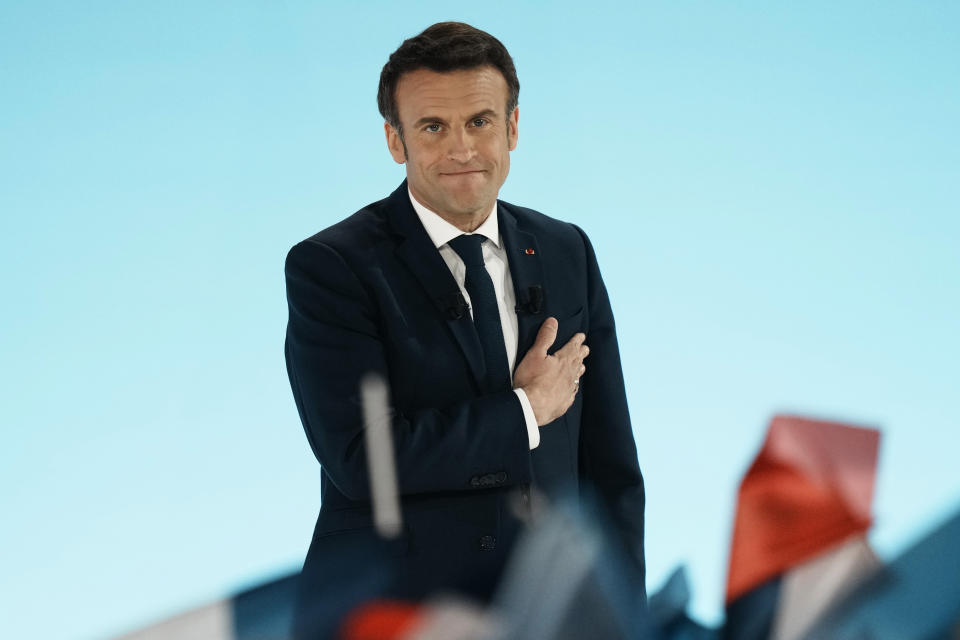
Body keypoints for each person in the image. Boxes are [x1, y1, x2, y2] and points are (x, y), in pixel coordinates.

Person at [284, 21, 645, 636]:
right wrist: (525, 411)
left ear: (512, 128)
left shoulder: (566, 250)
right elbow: (365, 458)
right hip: (400, 614)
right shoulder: (332, 268)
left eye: (479, 121)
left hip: (552, 614)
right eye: (433, 127)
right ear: (396, 141)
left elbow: (610, 470)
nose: (461, 149)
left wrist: (623, 618)